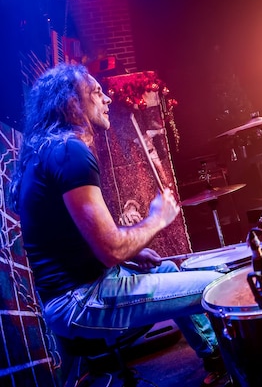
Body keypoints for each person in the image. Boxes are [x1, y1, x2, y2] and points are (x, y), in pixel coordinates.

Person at [8, 63, 229, 386]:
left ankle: (214, 358)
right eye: (96, 92)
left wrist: (132, 255)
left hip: (71, 295)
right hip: (81, 299)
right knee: (218, 285)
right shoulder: (70, 151)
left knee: (166, 270)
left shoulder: (48, 152)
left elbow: (72, 241)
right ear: (72, 102)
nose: (107, 98)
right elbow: (110, 248)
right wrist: (157, 218)